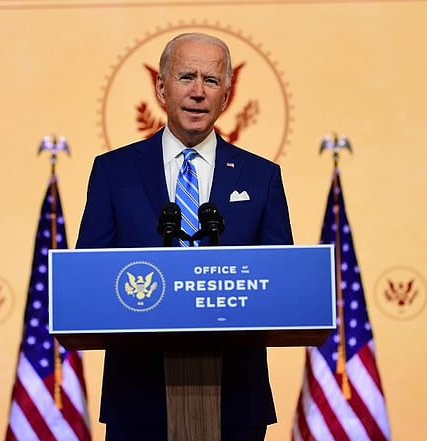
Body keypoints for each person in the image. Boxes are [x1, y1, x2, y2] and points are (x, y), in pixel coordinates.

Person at [76, 32, 294, 441]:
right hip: (138, 394)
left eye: (211, 81)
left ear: (226, 95)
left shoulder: (262, 177)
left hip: (235, 395)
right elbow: (90, 277)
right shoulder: (114, 172)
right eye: (186, 77)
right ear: (161, 87)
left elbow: (279, 282)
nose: (198, 92)